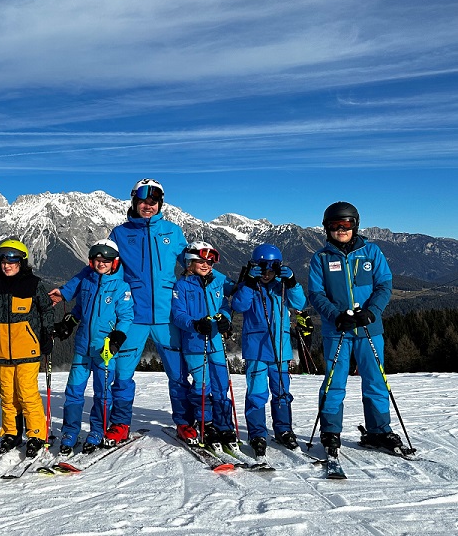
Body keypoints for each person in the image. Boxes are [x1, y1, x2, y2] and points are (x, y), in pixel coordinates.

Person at [49, 179, 188, 446]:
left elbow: (194, 263)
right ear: (134, 202)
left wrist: (227, 285)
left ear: (160, 204)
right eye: (143, 201)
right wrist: (66, 292)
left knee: (178, 375)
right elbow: (95, 269)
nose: (148, 206)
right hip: (132, 316)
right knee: (122, 375)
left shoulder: (173, 231)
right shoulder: (121, 234)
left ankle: (184, 422)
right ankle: (120, 423)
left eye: (153, 202)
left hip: (166, 316)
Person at [308, 202, 398, 456]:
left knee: (375, 380)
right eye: (334, 225)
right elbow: (316, 293)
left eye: (346, 224)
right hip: (337, 329)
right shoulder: (321, 258)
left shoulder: (371, 251)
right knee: (334, 382)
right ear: (326, 228)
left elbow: (384, 285)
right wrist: (335, 315)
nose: (341, 229)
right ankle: (330, 431)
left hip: (369, 328)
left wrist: (372, 311)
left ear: (355, 225)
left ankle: (379, 431)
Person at [53, 239, 134, 455]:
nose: (101, 264)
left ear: (114, 262)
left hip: (105, 350)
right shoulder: (87, 282)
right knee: (73, 391)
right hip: (82, 348)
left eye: (106, 260)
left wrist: (117, 337)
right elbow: (80, 309)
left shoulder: (121, 287)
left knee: (103, 393)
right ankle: (70, 431)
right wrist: (69, 322)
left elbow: (126, 316)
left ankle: (98, 430)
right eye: (97, 260)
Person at [0, 239, 55, 458]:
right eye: (3, 261)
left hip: (28, 349)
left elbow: (46, 310)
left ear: (21, 262)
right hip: (1, 350)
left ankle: (36, 434)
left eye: (11, 261)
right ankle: (11, 433)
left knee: (27, 393)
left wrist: (46, 334)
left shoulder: (33, 283)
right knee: (8, 396)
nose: (6, 265)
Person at [231, 244, 306, 456]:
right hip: (256, 350)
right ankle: (257, 433)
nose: (266, 274)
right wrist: (249, 283)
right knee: (256, 393)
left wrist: (292, 282)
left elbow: (299, 303)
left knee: (282, 392)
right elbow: (239, 305)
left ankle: (283, 430)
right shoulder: (249, 287)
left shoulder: (282, 287)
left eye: (272, 269)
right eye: (262, 269)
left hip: (280, 350)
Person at [170, 242, 236, 447]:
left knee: (221, 385)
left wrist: (225, 319)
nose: (206, 265)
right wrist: (195, 324)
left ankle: (224, 425)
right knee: (202, 385)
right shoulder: (182, 286)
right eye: (200, 261)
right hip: (195, 344)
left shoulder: (216, 283)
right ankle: (205, 423)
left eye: (209, 261)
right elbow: (178, 314)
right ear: (189, 263)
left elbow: (224, 306)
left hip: (216, 342)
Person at [295, 310, 315, 374]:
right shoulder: (298, 317)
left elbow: (311, 328)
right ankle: (305, 370)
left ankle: (309, 370)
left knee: (305, 354)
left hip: (306, 337)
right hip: (300, 336)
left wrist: (302, 328)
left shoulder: (306, 317)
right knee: (301, 354)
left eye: (297, 310)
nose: (296, 311)